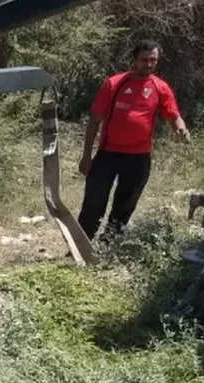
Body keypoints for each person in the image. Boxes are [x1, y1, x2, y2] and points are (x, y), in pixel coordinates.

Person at [76, 39, 190, 243]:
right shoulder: (115, 83)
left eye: (153, 60)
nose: (148, 64)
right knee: (94, 202)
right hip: (108, 154)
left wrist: (180, 127)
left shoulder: (160, 87)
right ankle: (81, 245)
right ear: (134, 60)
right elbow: (95, 120)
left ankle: (109, 245)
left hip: (138, 158)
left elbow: (173, 114)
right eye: (144, 60)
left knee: (125, 204)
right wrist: (86, 156)